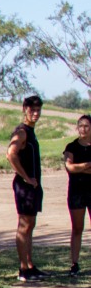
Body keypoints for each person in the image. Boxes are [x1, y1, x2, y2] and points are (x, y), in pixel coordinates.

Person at [8, 94, 45, 281]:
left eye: (38, 110)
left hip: (34, 186)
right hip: (25, 187)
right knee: (24, 225)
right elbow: (11, 154)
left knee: (30, 224)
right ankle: (23, 269)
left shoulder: (31, 131)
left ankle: (30, 265)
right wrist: (26, 178)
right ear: (25, 109)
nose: (35, 113)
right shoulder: (21, 132)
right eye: (32, 110)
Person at [63, 113, 91, 277]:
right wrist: (87, 165)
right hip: (76, 192)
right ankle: (74, 263)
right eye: (80, 125)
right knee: (77, 228)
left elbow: (75, 167)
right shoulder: (71, 147)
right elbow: (70, 167)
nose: (83, 129)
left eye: (86, 126)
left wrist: (79, 167)